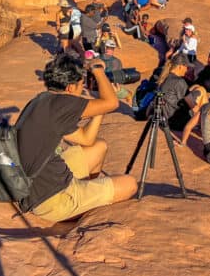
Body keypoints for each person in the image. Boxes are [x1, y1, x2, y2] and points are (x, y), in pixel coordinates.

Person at [17, 53, 138, 222]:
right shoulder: (63, 103)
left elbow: (86, 139)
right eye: (81, 85)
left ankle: (88, 193)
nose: (82, 90)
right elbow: (113, 103)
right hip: (53, 200)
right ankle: (84, 202)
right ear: (70, 88)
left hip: (39, 186)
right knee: (130, 184)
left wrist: (99, 107)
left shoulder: (41, 100)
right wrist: (98, 70)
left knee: (98, 147)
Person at [155, 53, 190, 130]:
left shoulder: (164, 77)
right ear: (180, 66)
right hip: (176, 122)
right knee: (201, 91)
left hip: (163, 119)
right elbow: (190, 104)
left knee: (196, 88)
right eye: (186, 67)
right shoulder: (179, 81)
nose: (187, 70)